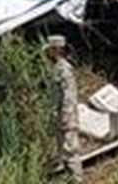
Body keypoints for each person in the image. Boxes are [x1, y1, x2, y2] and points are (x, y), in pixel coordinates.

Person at [45, 34, 83, 181]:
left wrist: (66, 117)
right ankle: (69, 177)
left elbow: (69, 96)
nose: (47, 53)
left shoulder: (65, 70)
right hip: (60, 116)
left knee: (70, 149)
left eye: (50, 50)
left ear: (57, 50)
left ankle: (77, 179)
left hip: (66, 116)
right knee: (63, 149)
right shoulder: (56, 68)